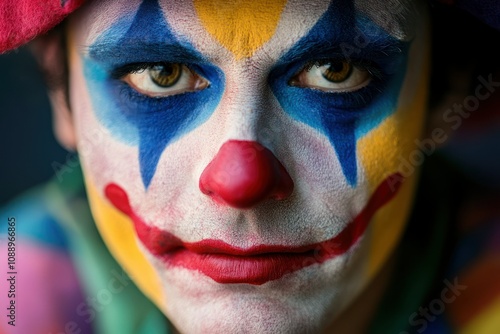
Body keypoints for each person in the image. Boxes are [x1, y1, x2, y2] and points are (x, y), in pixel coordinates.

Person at [0, 0, 499, 333]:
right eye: (161, 74)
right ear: (60, 92)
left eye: (335, 72)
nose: (241, 179)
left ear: (445, 93)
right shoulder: (15, 290)